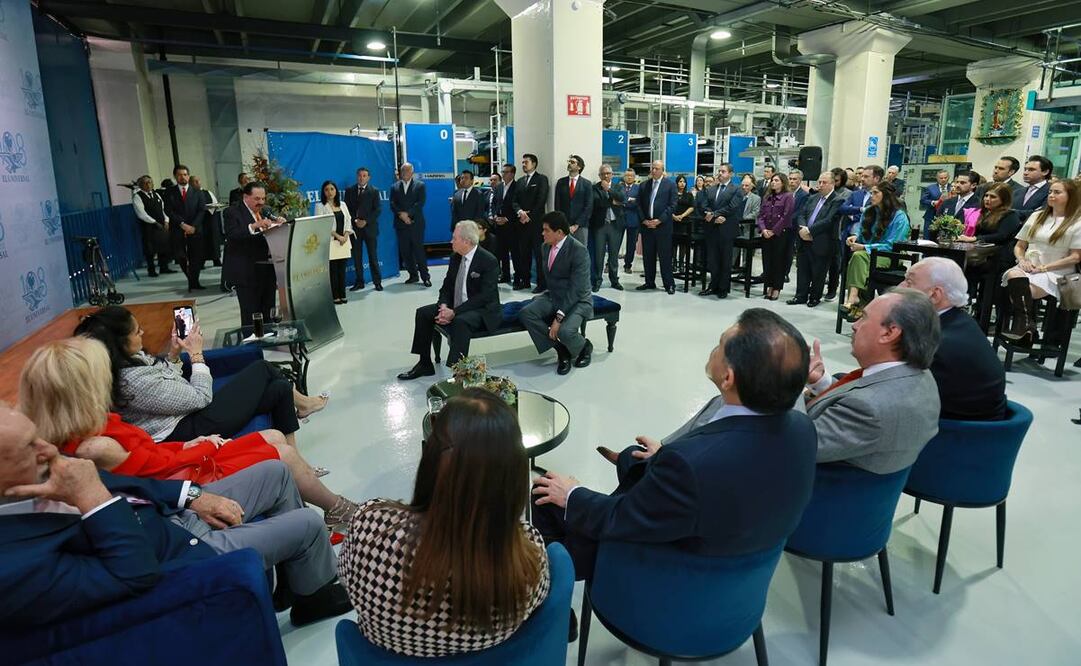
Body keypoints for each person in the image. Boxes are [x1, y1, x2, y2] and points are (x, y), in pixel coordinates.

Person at [531, 308, 818, 581]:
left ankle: (550, 594)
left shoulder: (689, 465)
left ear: (728, 378)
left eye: (720, 345)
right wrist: (663, 458)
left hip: (668, 572)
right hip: (735, 562)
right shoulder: (803, 428)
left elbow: (621, 518)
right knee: (635, 458)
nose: (713, 350)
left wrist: (573, 494)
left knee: (544, 492)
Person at [0, 407, 352, 628]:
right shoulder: (13, 563)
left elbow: (127, 482)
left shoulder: (43, 469)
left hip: (174, 514)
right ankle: (314, 598)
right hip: (181, 557)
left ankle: (300, 582)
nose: (47, 450)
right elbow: (135, 576)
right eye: (29, 448)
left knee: (276, 471)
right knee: (306, 526)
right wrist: (91, 497)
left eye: (39, 438)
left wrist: (192, 496)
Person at [18, 337, 360, 531]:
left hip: (180, 456)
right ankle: (338, 509)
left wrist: (189, 445)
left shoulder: (89, 427)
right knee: (280, 452)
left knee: (272, 434)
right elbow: (156, 475)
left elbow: (149, 456)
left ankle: (327, 511)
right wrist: (199, 448)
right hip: (185, 477)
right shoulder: (97, 445)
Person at [339, 389, 549, 657]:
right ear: (515, 477)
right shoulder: (528, 560)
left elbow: (348, 583)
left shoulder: (370, 530)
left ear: (431, 457)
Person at [73, 305, 328, 447]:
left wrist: (173, 354)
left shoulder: (131, 361)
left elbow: (167, 382)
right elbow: (201, 397)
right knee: (262, 369)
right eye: (135, 330)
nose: (142, 332)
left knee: (279, 388)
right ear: (118, 341)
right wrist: (196, 355)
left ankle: (296, 454)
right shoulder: (132, 381)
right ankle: (304, 404)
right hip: (184, 429)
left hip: (186, 413)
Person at [804, 289, 941, 473]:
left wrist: (786, 381)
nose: (855, 325)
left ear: (889, 333)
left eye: (863, 317)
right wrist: (821, 382)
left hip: (820, 494)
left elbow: (789, 446)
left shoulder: (869, 409)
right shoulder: (922, 378)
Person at [901, 258, 1007, 421]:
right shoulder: (959, 321)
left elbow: (898, 394)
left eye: (909, 282)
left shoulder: (940, 344)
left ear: (935, 295)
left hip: (957, 436)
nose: (900, 287)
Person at [397, 221, 502, 379]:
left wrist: (454, 312)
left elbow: (484, 296)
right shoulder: (455, 258)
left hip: (482, 310)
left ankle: (458, 372)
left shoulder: (488, 261)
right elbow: (446, 287)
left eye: (454, 238)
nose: (451, 241)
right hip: (456, 306)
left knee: (460, 321)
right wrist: (443, 307)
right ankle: (424, 363)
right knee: (423, 313)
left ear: (466, 241)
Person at [1001, 178, 1081, 345]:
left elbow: (1075, 257)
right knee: (1015, 275)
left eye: (1057, 192)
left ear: (1070, 196)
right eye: (1050, 191)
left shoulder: (1077, 221)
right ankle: (1027, 326)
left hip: (1057, 270)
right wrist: (1022, 260)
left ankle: (1026, 327)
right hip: (1030, 265)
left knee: (1021, 291)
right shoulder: (1037, 216)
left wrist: (1045, 267)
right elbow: (1020, 246)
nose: (1051, 195)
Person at [519, 212, 593, 375]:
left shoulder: (578, 251)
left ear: (559, 232)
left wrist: (558, 318)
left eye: (546, 230)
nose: (542, 233)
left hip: (577, 300)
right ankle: (560, 349)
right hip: (553, 295)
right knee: (527, 313)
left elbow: (577, 289)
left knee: (564, 331)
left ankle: (584, 346)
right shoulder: (545, 247)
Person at [841, 181, 911, 314]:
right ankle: (857, 300)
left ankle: (856, 300)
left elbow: (892, 245)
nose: (871, 195)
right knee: (858, 257)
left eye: (875, 193)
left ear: (886, 195)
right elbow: (862, 234)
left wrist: (864, 247)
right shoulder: (868, 211)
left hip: (890, 256)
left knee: (859, 257)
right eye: (871, 192)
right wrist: (855, 237)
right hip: (868, 255)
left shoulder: (899, 217)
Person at [223, 181, 283, 326]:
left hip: (266, 268)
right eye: (257, 199)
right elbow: (233, 235)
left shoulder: (265, 211)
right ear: (246, 197)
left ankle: (268, 333)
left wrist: (279, 224)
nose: (261, 202)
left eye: (263, 198)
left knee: (268, 306)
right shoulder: (232, 212)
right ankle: (252, 339)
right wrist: (254, 226)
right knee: (250, 310)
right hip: (245, 270)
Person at [788, 172, 844, 307]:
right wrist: (802, 227)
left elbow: (829, 220)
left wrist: (810, 230)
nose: (821, 185)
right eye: (819, 182)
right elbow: (802, 213)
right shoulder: (812, 197)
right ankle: (800, 295)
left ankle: (814, 297)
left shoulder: (837, 200)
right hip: (804, 238)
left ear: (832, 184)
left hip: (821, 240)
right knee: (802, 268)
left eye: (824, 182)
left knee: (818, 271)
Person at [696, 163, 744, 298]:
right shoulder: (711, 189)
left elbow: (732, 207)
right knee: (713, 260)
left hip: (726, 229)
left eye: (723, 171)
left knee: (725, 260)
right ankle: (713, 285)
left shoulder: (736, 189)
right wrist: (712, 216)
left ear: (730, 174)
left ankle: (723, 288)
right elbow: (703, 205)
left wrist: (715, 214)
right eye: (719, 171)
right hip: (712, 228)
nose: (720, 174)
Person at [957, 182, 1023, 269]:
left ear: (1003, 199)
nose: (987, 199)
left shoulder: (1010, 215)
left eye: (993, 197)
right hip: (980, 254)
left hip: (998, 258)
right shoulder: (984, 213)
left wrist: (975, 238)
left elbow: (1001, 236)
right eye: (986, 195)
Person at [636, 160, 679, 294]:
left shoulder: (670, 185)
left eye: (657, 168)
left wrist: (659, 220)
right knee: (648, 256)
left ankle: (669, 284)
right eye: (652, 168)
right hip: (647, 226)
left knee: (664, 256)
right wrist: (644, 220)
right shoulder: (644, 185)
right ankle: (649, 282)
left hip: (663, 227)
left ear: (662, 170)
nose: (653, 171)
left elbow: (672, 205)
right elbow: (638, 205)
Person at [163, 164, 207, 292]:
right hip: (178, 228)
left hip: (195, 229)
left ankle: (195, 281)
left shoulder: (197, 192)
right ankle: (190, 278)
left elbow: (201, 210)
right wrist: (182, 224)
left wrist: (193, 226)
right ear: (175, 176)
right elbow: (168, 210)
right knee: (181, 255)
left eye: (185, 174)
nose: (182, 177)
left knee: (196, 256)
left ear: (188, 176)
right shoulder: (169, 192)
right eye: (179, 175)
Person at [513, 153, 550, 292]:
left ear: (534, 164)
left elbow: (541, 201)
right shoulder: (520, 181)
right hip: (522, 224)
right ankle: (525, 280)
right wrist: (520, 212)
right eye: (522, 162)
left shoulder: (541, 179)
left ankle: (542, 283)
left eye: (526, 162)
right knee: (524, 254)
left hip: (536, 224)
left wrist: (529, 216)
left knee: (539, 255)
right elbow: (514, 201)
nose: (523, 164)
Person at [391, 162, 431, 287]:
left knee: (419, 251)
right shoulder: (394, 187)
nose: (405, 173)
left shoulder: (420, 185)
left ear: (412, 172)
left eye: (407, 171)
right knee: (405, 252)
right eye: (403, 171)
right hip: (401, 224)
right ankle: (413, 275)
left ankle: (425, 277)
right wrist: (401, 215)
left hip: (416, 224)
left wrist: (408, 214)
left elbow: (420, 203)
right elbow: (392, 204)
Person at [343, 167, 383, 292]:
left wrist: (366, 221)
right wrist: (355, 220)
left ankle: (377, 282)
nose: (361, 178)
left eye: (364, 175)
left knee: (373, 256)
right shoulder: (349, 191)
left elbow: (377, 210)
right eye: (360, 175)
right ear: (357, 176)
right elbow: (346, 209)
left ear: (368, 177)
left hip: (369, 228)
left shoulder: (374, 191)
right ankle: (359, 282)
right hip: (355, 229)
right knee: (357, 257)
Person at [315, 180, 354, 305]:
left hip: (344, 242)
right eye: (326, 189)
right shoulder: (320, 206)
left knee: (342, 270)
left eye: (332, 189)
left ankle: (343, 294)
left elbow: (348, 220)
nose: (330, 192)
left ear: (336, 190)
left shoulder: (343, 204)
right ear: (323, 192)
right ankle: (335, 296)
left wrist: (346, 235)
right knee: (333, 271)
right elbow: (321, 225)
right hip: (331, 242)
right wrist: (337, 236)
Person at [757, 173, 795, 301]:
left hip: (780, 234)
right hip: (766, 233)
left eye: (776, 180)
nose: (773, 182)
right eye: (772, 180)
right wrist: (763, 229)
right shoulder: (767, 197)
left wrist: (773, 231)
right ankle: (769, 286)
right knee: (767, 261)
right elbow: (761, 215)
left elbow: (786, 216)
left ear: (783, 183)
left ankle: (777, 288)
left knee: (778, 262)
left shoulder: (788, 197)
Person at [589, 164, 625, 291]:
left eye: (608, 173)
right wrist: (613, 201)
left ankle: (614, 280)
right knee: (599, 255)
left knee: (614, 256)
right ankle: (598, 280)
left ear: (612, 175)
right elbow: (596, 203)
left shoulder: (618, 186)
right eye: (603, 173)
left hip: (615, 225)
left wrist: (609, 190)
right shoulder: (594, 188)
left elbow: (622, 198)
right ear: (599, 175)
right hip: (600, 226)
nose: (605, 175)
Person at [131, 175, 172, 278]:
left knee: (163, 246)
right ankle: (151, 270)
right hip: (148, 226)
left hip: (161, 225)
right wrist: (154, 222)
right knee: (149, 249)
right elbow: (141, 213)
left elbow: (163, 210)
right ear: (140, 185)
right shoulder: (138, 196)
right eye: (145, 183)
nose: (148, 185)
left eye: (150, 182)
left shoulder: (157, 195)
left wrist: (166, 220)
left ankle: (164, 267)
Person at [553, 155, 593, 248]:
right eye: (569, 162)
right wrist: (564, 223)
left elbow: (589, 206)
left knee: (581, 252)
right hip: (564, 225)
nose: (569, 164)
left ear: (579, 167)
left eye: (572, 162)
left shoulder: (586, 184)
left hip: (581, 225)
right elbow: (557, 205)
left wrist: (577, 224)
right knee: (563, 251)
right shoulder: (561, 182)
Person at [489, 164, 518, 284]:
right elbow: (494, 203)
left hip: (512, 225)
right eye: (503, 171)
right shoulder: (499, 187)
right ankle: (505, 275)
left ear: (512, 174)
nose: (503, 174)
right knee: (502, 252)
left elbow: (517, 205)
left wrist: (507, 218)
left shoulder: (517, 187)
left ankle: (518, 278)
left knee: (516, 254)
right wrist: (496, 216)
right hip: (499, 225)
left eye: (505, 172)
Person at [780, 169, 810, 283]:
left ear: (800, 181)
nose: (791, 181)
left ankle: (785, 273)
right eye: (790, 179)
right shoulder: (784, 193)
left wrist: (784, 220)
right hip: (780, 226)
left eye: (794, 179)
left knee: (789, 250)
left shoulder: (804, 195)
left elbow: (800, 212)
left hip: (792, 227)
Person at [191, 176, 222, 268]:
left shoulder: (207, 192)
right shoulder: (190, 194)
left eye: (198, 181)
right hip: (199, 221)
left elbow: (215, 203)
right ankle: (201, 262)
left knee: (213, 240)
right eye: (194, 181)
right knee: (201, 242)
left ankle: (216, 259)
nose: (197, 183)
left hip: (210, 220)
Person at [1014, 155, 1053, 220]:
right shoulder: (1017, 192)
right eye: (1025, 169)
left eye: (1031, 170)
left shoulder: (1051, 192)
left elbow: (1040, 214)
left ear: (1045, 172)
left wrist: (1010, 212)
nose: (1025, 173)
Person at [921, 169, 952, 238]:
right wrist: (933, 202)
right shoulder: (930, 188)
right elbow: (923, 200)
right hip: (931, 217)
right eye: (941, 178)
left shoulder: (952, 188)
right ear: (937, 178)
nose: (943, 180)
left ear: (948, 177)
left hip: (947, 218)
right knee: (928, 238)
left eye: (945, 177)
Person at [621, 169, 640, 274]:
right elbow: (617, 201)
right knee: (615, 243)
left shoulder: (638, 188)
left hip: (633, 220)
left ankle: (628, 265)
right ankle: (609, 264)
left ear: (634, 177)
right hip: (620, 219)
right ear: (624, 177)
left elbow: (637, 203)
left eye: (631, 176)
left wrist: (625, 202)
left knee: (631, 244)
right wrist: (629, 201)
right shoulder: (619, 187)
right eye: (627, 175)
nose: (629, 177)